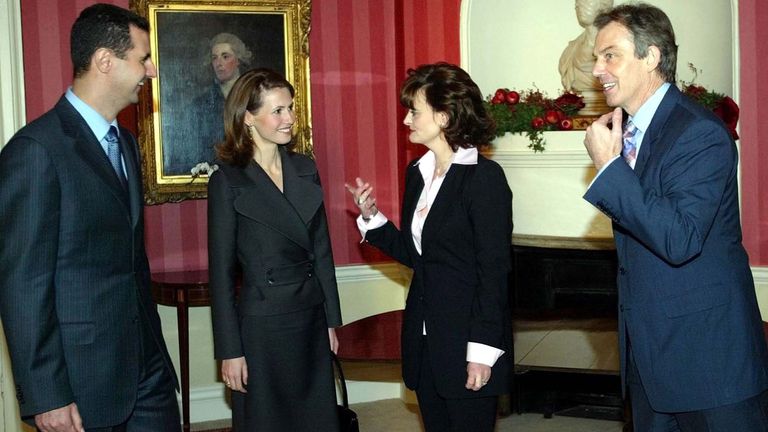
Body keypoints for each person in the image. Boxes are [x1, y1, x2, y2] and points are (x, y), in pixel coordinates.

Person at [583, 3, 768, 431]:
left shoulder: (699, 131)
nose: (597, 69)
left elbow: (680, 238)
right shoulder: (630, 132)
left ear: (651, 57)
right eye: (597, 56)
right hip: (650, 361)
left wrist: (610, 170)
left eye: (610, 54)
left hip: (709, 363)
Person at [0, 4, 181, 431]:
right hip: (83, 383)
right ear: (105, 61)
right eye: (143, 58)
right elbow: (23, 284)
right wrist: (47, 395)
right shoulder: (36, 151)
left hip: (147, 369)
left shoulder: (128, 144)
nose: (151, 71)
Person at [345, 62, 512, 432]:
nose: (407, 120)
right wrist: (372, 218)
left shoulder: (485, 180)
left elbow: (494, 274)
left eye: (414, 111)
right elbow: (417, 255)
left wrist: (482, 353)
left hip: (468, 344)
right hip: (425, 342)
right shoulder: (417, 174)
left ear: (445, 115)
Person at [207, 68, 342, 431]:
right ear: (248, 117)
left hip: (310, 316)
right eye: (278, 110)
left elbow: (321, 250)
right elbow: (220, 275)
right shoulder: (227, 180)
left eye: (291, 108)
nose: (289, 119)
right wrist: (230, 350)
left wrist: (331, 320)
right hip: (263, 328)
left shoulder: (304, 169)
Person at [164, 32, 252, 175]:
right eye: (214, 58)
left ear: (238, 60)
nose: (219, 63)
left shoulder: (254, 97)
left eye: (225, 56)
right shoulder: (199, 104)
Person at [559, 0, 613, 115]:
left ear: (604, 5)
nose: (578, 6)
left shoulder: (613, 48)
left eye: (585, 1)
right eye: (577, 3)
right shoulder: (572, 48)